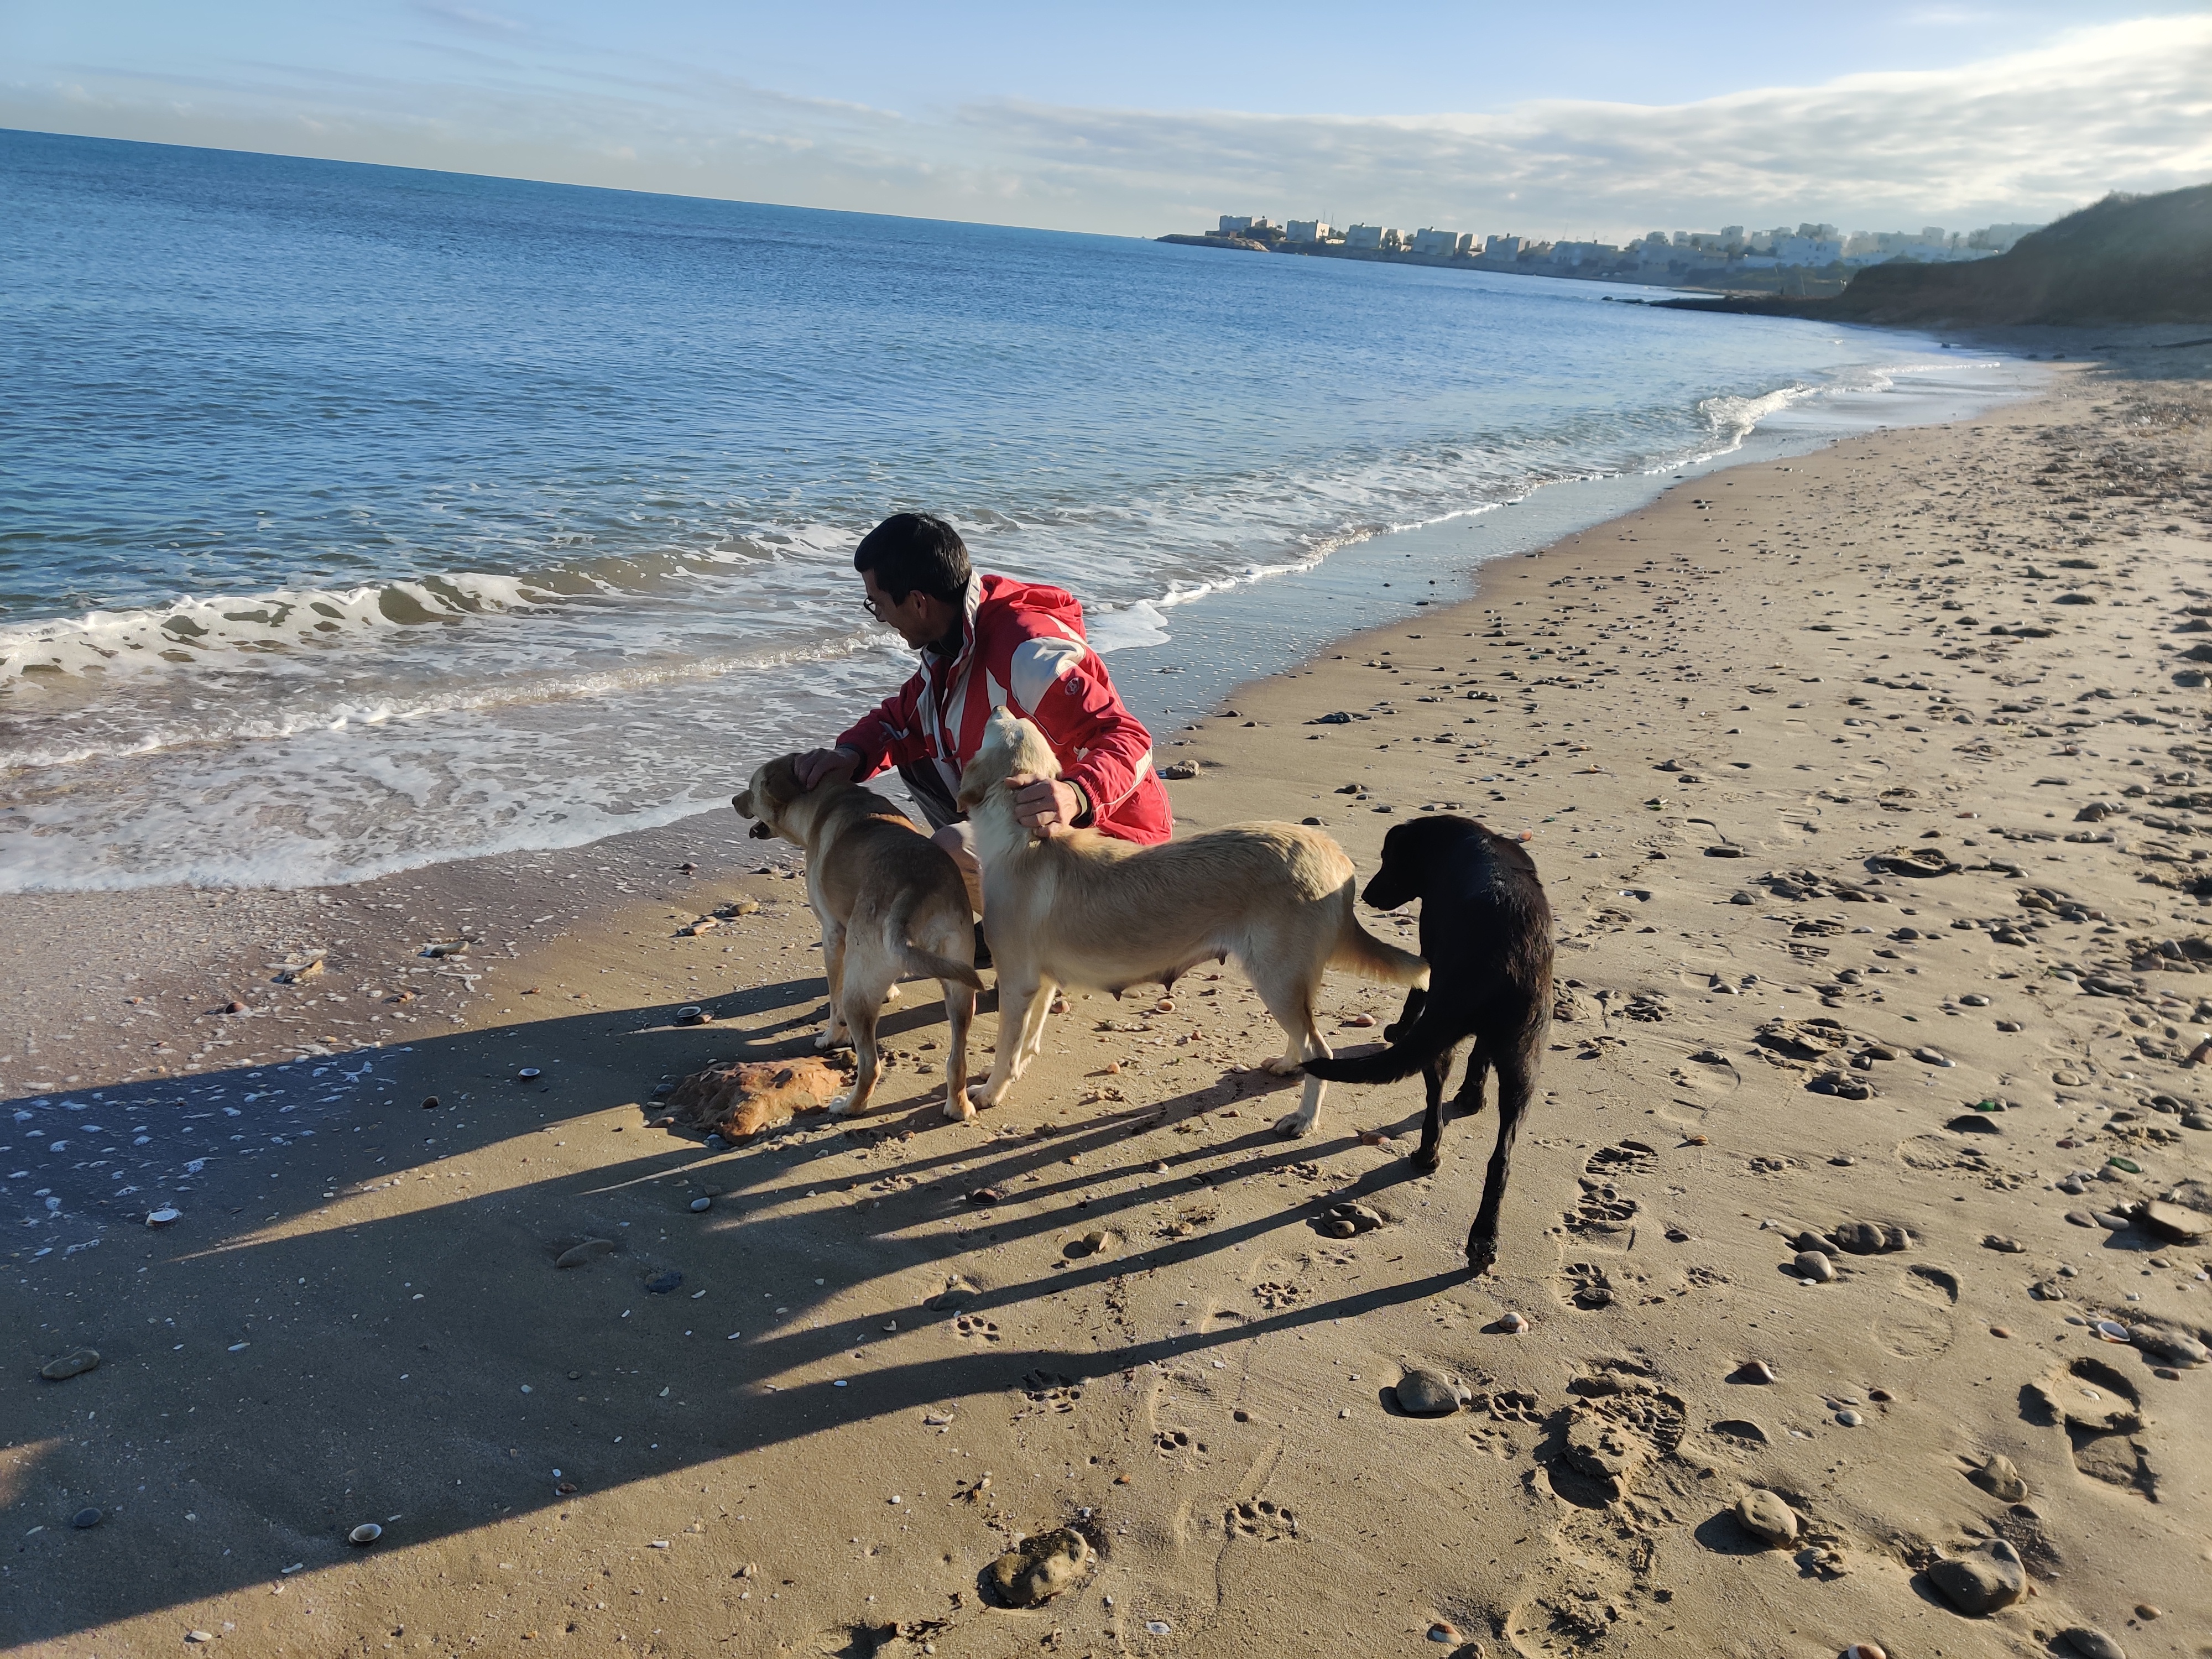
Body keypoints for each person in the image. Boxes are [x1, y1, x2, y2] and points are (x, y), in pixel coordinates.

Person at [792, 513, 1172, 945]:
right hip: (1037, 834)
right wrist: (849, 756)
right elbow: (900, 722)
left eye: (877, 604)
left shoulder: (1028, 654)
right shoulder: (949, 649)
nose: (880, 618)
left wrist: (1077, 794)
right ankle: (1014, 926)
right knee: (919, 758)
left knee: (948, 849)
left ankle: (1040, 941)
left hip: (1113, 851)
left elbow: (1129, 739)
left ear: (918, 602)